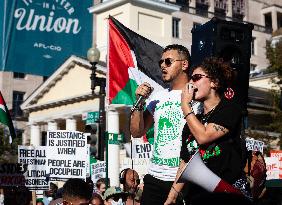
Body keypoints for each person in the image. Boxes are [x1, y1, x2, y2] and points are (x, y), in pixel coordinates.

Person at [164, 57, 251, 204]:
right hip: (199, 196)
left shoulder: (229, 109)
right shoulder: (192, 121)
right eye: (190, 79)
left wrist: (185, 105)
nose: (191, 83)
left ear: (214, 82)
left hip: (227, 193)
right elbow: (185, 163)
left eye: (196, 78)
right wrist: (171, 197)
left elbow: (204, 136)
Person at [130, 44, 200, 204]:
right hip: (154, 178)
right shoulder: (158, 97)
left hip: (184, 179)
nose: (162, 66)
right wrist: (139, 102)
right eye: (160, 62)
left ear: (184, 64)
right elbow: (136, 131)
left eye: (168, 62)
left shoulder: (196, 94)